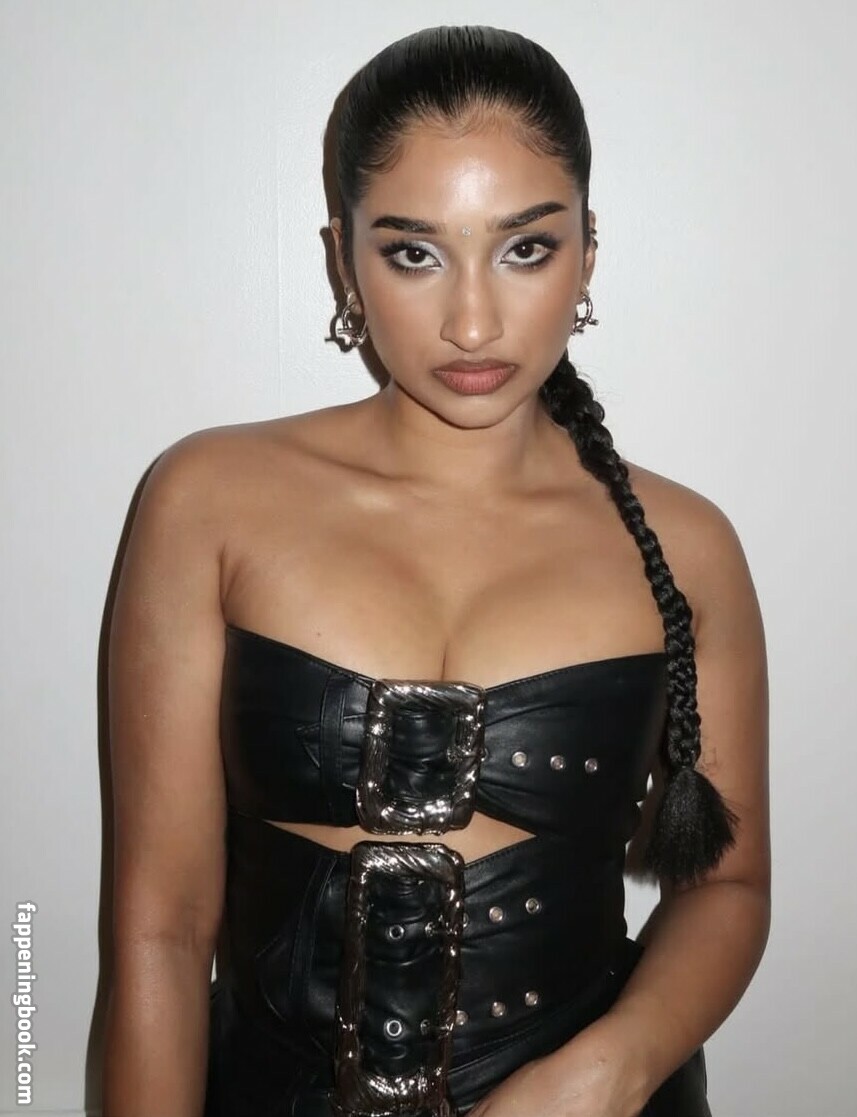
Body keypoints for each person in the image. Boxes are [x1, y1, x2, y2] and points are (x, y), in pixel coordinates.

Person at [102, 24, 770, 1117]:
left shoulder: (685, 544)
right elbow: (159, 927)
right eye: (414, 252)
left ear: (587, 253)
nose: (471, 321)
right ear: (344, 260)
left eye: (524, 248)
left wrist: (603, 1073)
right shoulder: (207, 499)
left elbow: (727, 885)